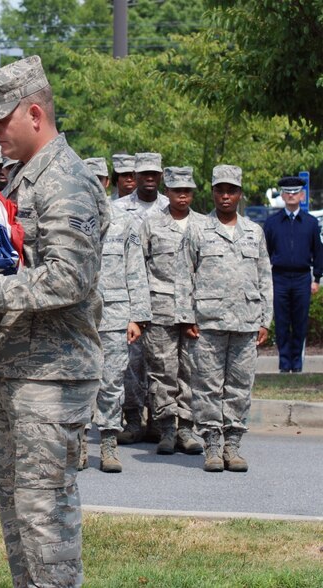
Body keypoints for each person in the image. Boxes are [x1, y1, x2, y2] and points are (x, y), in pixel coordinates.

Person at [0, 56, 108, 587]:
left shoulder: (67, 180)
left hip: (52, 376)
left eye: (0, 121)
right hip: (19, 370)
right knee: (18, 515)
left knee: (44, 521)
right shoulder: (23, 179)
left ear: (34, 113)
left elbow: (69, 279)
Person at [177, 165, 273, 472]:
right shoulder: (198, 229)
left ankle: (233, 445)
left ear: (240, 194)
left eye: (231, 190)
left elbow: (264, 277)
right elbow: (184, 275)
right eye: (220, 190)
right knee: (207, 385)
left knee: (240, 386)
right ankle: (213, 446)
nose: (226, 196)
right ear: (213, 193)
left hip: (246, 321)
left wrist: (264, 320)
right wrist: (186, 316)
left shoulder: (254, 231)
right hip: (209, 321)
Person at [80, 156, 150, 473]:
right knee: (80, 382)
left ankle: (109, 443)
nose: (94, 184)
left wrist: (136, 317)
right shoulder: (68, 221)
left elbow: (136, 273)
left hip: (114, 316)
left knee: (111, 383)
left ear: (107, 183)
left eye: (99, 179)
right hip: (78, 318)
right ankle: (79, 444)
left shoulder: (124, 223)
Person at [141, 167, 205, 456]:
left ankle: (187, 429)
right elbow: (138, 268)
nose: (182, 195)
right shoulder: (151, 224)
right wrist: (140, 311)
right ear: (167, 192)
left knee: (191, 371)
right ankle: (166, 427)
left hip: (195, 312)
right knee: (162, 371)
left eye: (187, 190)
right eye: (177, 190)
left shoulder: (204, 226)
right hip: (160, 310)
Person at [113, 151, 167, 444]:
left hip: (163, 296)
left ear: (160, 176)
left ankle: (158, 419)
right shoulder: (118, 209)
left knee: (159, 362)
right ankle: (132, 420)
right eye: (143, 172)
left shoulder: (171, 208)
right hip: (129, 295)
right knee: (132, 363)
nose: (148, 177)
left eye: (153, 173)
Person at [263, 176, 323, 373]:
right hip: (278, 278)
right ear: (282, 195)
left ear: (302, 195)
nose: (291, 195)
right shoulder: (272, 223)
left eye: (295, 192)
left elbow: (318, 251)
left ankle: (297, 365)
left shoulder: (311, 223)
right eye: (287, 192)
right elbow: (265, 253)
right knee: (281, 324)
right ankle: (284, 364)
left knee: (299, 323)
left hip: (301, 279)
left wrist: (316, 278)